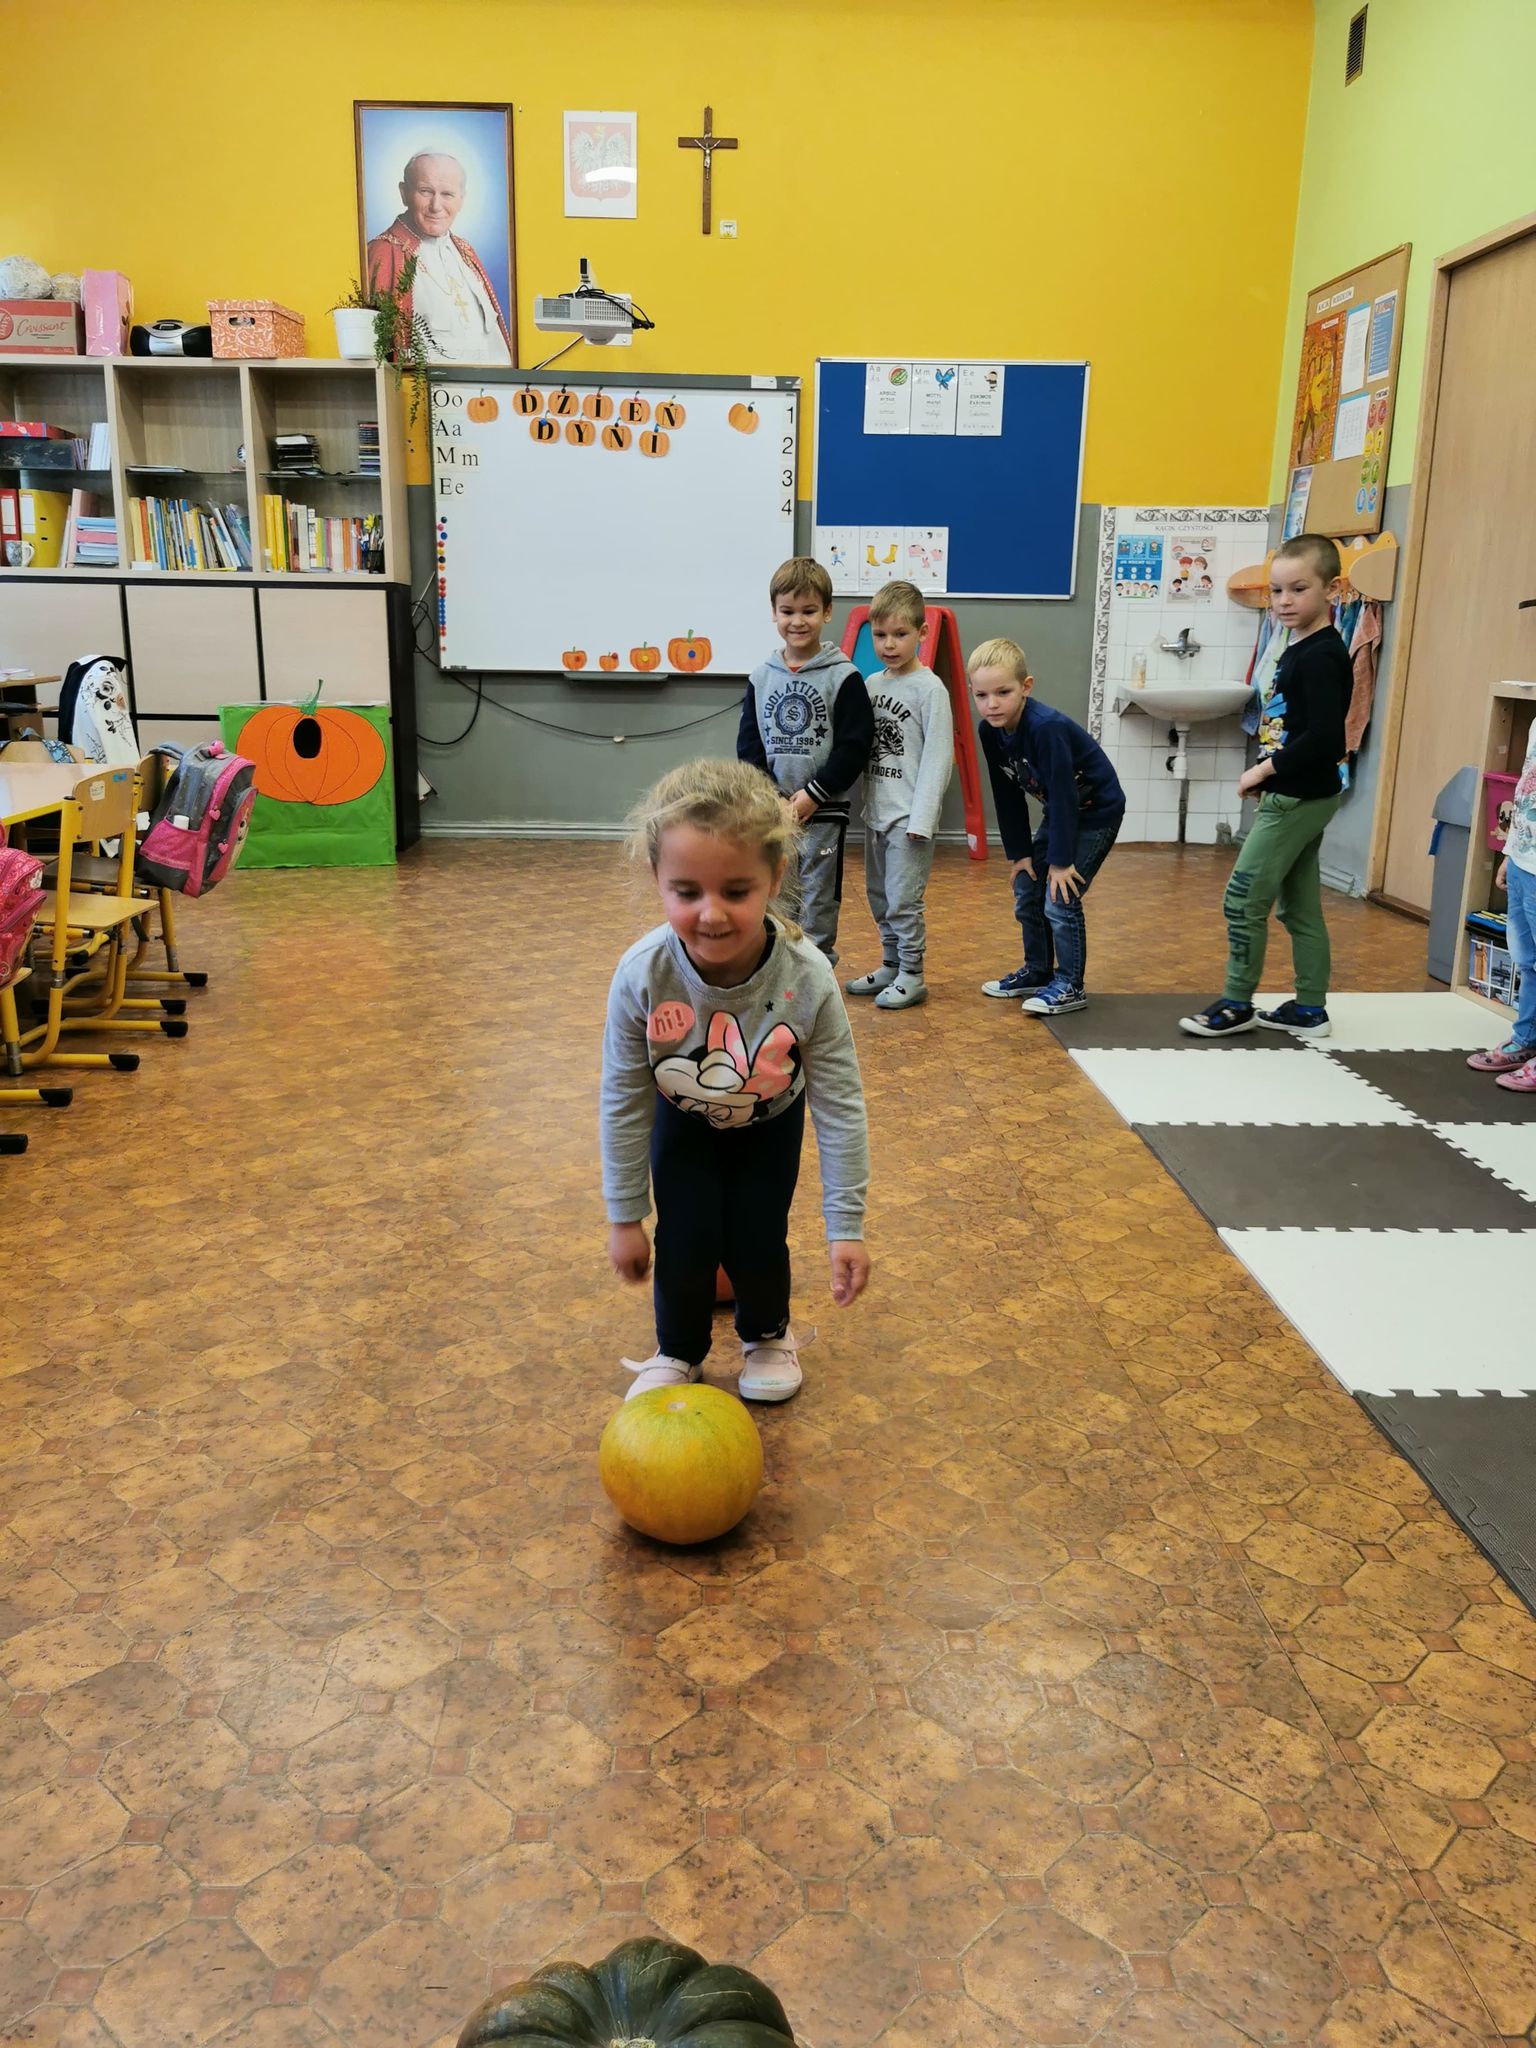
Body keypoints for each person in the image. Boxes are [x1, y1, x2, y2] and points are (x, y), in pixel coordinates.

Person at [601, 758, 871, 1405]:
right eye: (687, 891)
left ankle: (768, 1335)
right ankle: (677, 1349)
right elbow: (624, 1099)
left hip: (768, 1123)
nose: (712, 914)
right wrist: (625, 1214)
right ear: (657, 878)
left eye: (736, 891)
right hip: (682, 1121)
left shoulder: (807, 977)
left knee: (757, 1232)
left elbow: (840, 1104)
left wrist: (847, 1226)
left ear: (775, 876)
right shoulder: (641, 974)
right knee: (685, 1236)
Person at [1180, 533, 1349, 1039]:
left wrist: (1265, 770)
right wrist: (1270, 770)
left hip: (1297, 798)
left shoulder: (1321, 655)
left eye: (1299, 589)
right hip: (1300, 792)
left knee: (1242, 900)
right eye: (1276, 591)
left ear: (1332, 590)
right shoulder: (1298, 646)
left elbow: (1327, 738)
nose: (1284, 601)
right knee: (1299, 907)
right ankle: (1310, 1009)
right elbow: (1291, 727)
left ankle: (1237, 1003)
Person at [970, 636, 1125, 1017]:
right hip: (1061, 811)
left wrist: (1060, 861)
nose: (991, 704)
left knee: (1060, 895)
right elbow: (1006, 793)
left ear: (1026, 687)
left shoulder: (1045, 728)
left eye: (1003, 692)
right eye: (981, 695)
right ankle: (1038, 971)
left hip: (1095, 812)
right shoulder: (990, 731)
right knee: (1028, 887)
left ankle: (1070, 984)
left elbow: (1064, 794)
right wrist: (1021, 854)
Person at [737, 558, 873, 964]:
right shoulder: (762, 676)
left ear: (827, 612)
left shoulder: (844, 677)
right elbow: (749, 748)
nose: (798, 621)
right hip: (774, 812)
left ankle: (817, 970)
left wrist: (813, 794)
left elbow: (854, 746)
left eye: (809, 611)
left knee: (818, 897)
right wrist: (774, 798)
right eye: (788, 611)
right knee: (777, 890)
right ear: (774, 613)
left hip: (824, 811)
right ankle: (778, 967)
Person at [844, 580, 953, 1011]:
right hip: (876, 813)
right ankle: (890, 964)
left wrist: (922, 820)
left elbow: (939, 758)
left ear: (921, 633)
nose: (889, 644)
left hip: (909, 818)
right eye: (880, 635)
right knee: (880, 896)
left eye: (900, 634)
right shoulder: (872, 684)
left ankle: (912, 973)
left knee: (904, 900)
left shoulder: (930, 690)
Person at [366, 151, 511, 364]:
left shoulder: (465, 251)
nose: (436, 206)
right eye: (425, 191)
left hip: (490, 383)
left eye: (447, 194)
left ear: (462, 200)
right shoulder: (383, 253)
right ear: (404, 193)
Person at [1467, 716, 1536, 1090]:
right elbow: (1526, 793)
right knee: (1526, 961)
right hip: (1525, 860)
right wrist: (1511, 851)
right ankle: (1526, 1039)